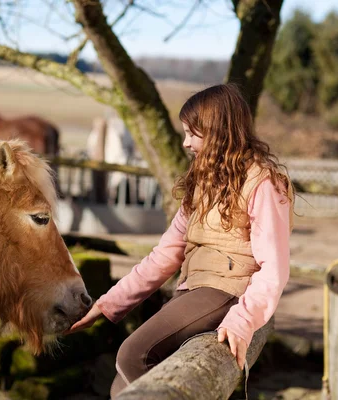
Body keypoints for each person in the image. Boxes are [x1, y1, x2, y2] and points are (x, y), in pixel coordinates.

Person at [67, 83, 294, 398]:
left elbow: (274, 269)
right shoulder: (203, 182)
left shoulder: (263, 184)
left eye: (193, 133)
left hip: (227, 289)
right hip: (192, 289)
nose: (186, 143)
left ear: (217, 131)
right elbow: (163, 256)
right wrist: (108, 303)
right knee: (121, 388)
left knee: (133, 355)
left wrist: (242, 320)